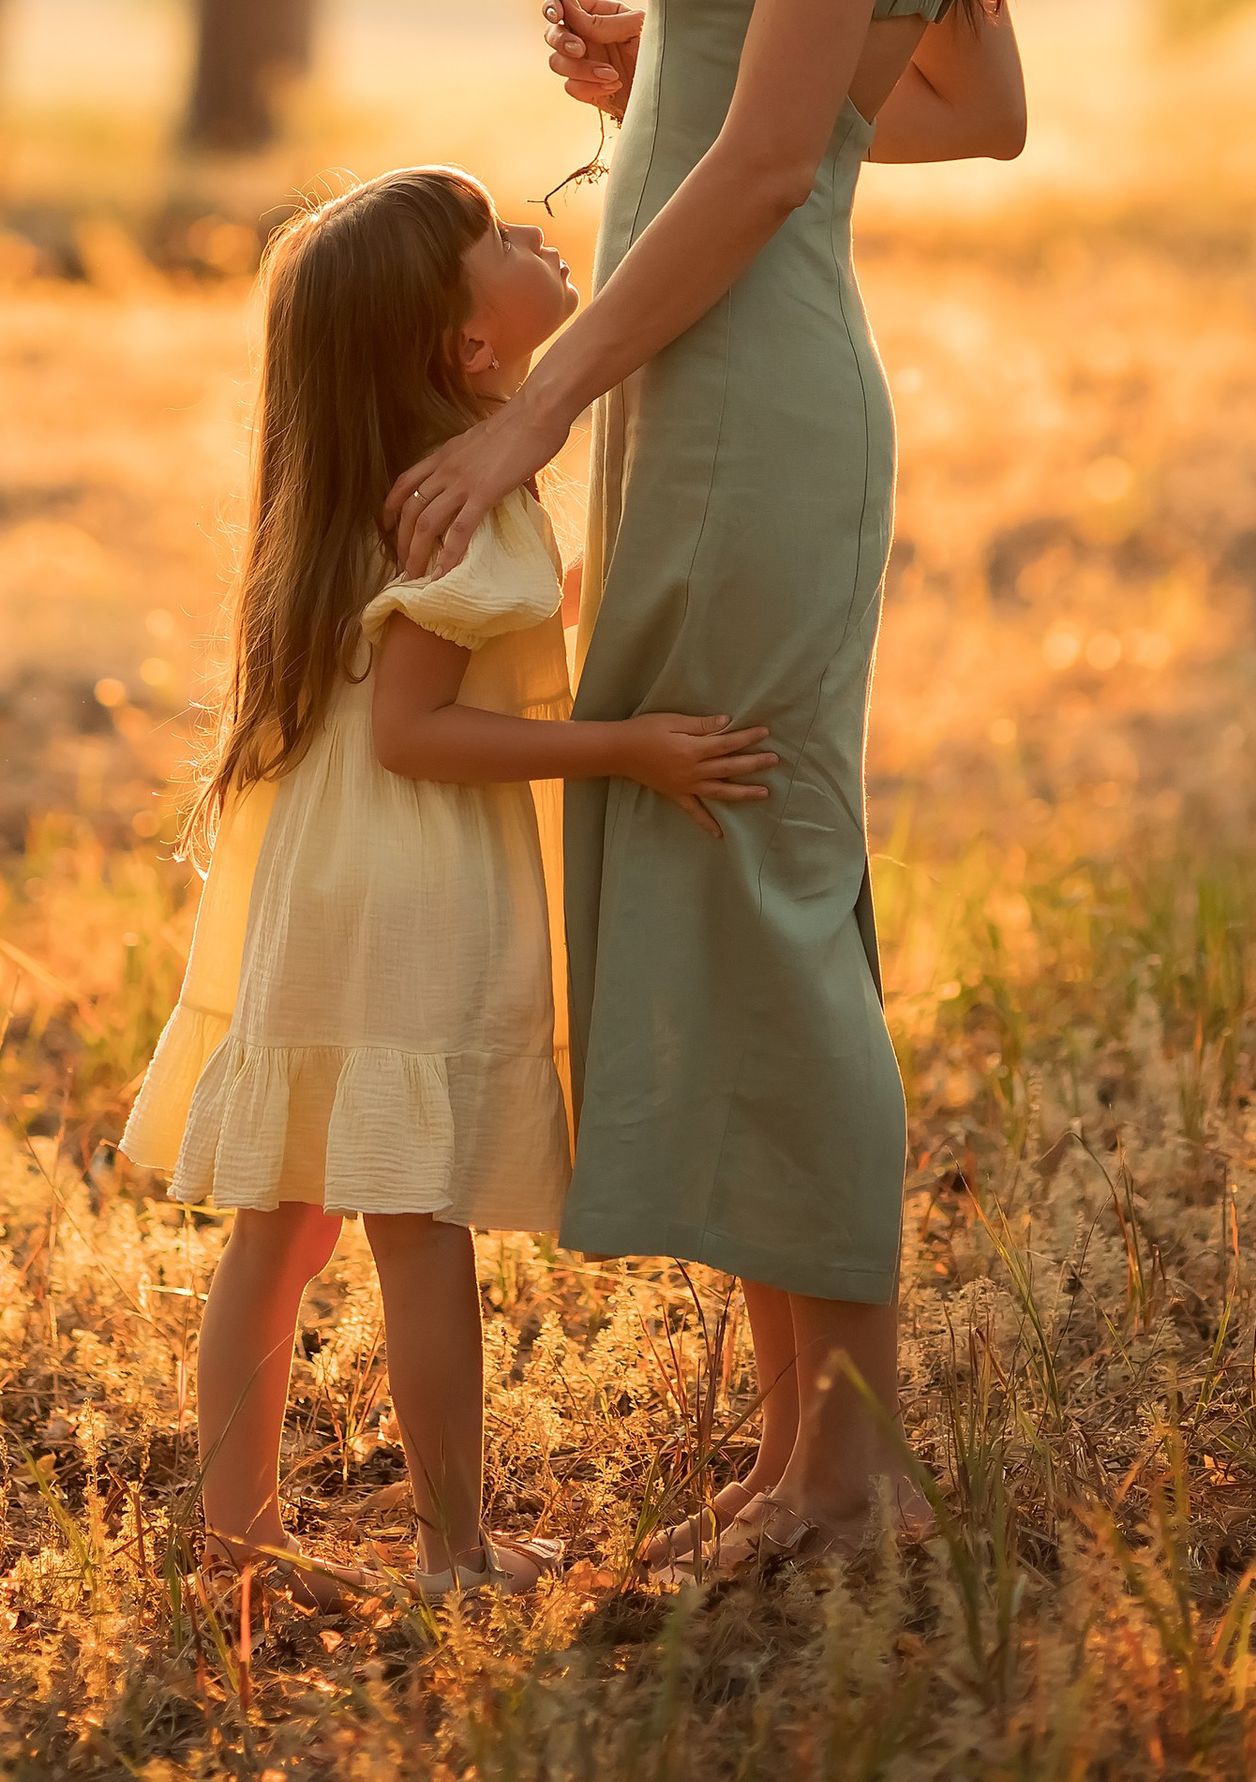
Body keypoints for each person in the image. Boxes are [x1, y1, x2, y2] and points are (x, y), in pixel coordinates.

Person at [389, 0, 1031, 1574]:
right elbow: (956, 101)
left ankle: (852, 1464)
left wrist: (540, 405)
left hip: (742, 395)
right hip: (709, 381)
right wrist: (669, 66)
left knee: (767, 889)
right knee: (728, 888)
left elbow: (777, 167)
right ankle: (789, 1449)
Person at [122, 165, 775, 1603]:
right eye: (494, 236)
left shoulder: (424, 475)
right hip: (404, 894)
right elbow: (418, 728)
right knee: (418, 1233)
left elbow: (468, 652)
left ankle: (236, 1530)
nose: (533, 230)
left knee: (285, 1225)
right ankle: (457, 1551)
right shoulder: (462, 506)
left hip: (327, 881)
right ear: (469, 349)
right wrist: (624, 751)